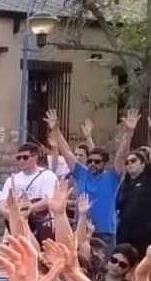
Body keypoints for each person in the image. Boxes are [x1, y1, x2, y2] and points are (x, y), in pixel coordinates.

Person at [46, 107, 134, 249]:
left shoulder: (112, 177)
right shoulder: (81, 173)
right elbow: (67, 152)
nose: (92, 164)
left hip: (105, 233)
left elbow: (121, 155)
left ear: (105, 163)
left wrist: (129, 133)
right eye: (90, 161)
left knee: (105, 269)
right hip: (81, 230)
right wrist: (55, 130)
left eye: (97, 162)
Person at [0, 142, 58, 242]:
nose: (21, 160)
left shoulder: (47, 176)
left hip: (40, 228)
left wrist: (29, 208)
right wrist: (12, 215)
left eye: (25, 157)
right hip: (15, 228)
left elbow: (48, 200)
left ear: (35, 157)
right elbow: (2, 204)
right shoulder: (12, 179)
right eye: (19, 158)